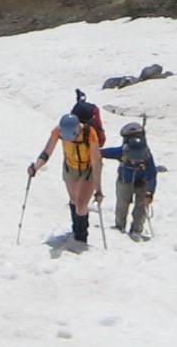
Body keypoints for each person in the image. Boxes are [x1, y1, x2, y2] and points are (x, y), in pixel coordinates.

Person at [31, 95, 104, 248]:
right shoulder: (58, 131)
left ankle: (81, 237)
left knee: (81, 205)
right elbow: (47, 151)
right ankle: (75, 228)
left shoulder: (90, 134)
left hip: (87, 170)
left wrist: (98, 189)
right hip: (70, 168)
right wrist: (36, 167)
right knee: (73, 200)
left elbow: (96, 162)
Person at [113, 119, 159, 238]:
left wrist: (149, 192)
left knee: (140, 208)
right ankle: (120, 227)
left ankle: (135, 230)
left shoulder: (144, 154)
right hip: (126, 181)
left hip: (139, 183)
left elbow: (151, 174)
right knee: (122, 206)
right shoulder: (127, 151)